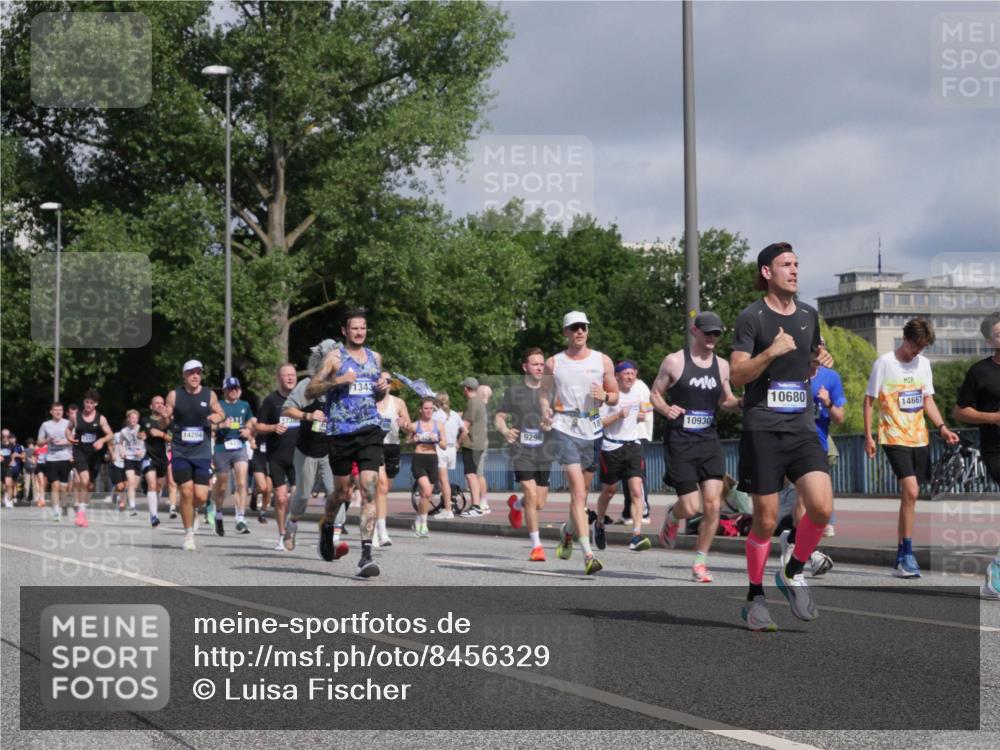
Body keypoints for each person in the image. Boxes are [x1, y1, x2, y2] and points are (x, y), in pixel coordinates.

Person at [730, 243, 834, 631]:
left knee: (821, 507)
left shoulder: (809, 315)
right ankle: (755, 598)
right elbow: (738, 377)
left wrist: (817, 362)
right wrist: (771, 351)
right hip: (762, 427)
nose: (794, 270)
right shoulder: (751, 317)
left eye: (796, 264)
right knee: (766, 520)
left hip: (802, 426)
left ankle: (792, 571)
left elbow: (805, 368)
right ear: (766, 272)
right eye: (785, 265)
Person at [864, 317, 960, 578]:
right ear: (905, 338)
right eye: (915, 345)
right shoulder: (885, 362)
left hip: (919, 437)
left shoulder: (924, 365)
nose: (918, 351)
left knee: (912, 496)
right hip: (893, 436)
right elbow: (869, 400)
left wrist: (942, 427)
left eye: (923, 347)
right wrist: (868, 436)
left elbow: (927, 399)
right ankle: (907, 553)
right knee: (911, 489)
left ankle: (900, 555)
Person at [652, 312, 741, 582]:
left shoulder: (723, 366)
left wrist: (742, 403)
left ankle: (700, 562)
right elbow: (655, 394)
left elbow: (726, 401)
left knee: (713, 505)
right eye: (708, 333)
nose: (712, 338)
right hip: (680, 440)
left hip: (709, 439)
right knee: (691, 508)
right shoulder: (675, 361)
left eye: (717, 333)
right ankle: (672, 514)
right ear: (694, 331)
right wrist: (666, 409)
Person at [305, 308, 390, 578]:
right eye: (354, 328)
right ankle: (327, 525)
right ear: (344, 331)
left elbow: (375, 397)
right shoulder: (334, 358)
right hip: (340, 431)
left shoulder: (375, 358)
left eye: (363, 328)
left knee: (368, 488)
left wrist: (382, 389)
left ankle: (366, 555)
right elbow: (310, 390)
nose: (359, 332)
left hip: (370, 429)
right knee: (341, 494)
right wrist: (336, 380)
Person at [539, 311, 619, 575]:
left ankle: (568, 532)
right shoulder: (554, 363)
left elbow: (615, 396)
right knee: (578, 493)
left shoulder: (602, 360)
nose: (579, 332)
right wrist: (546, 411)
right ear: (565, 332)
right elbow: (544, 394)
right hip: (565, 427)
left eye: (583, 327)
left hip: (593, 429)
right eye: (574, 328)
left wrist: (605, 395)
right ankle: (588, 554)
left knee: (582, 496)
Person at [281, 339, 347, 556]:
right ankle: (292, 525)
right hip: (307, 449)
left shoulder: (342, 384)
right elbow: (287, 409)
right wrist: (308, 415)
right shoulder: (307, 385)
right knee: (301, 495)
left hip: (331, 450)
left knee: (336, 492)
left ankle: (333, 538)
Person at [953, 311, 1000, 599]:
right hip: (996, 449)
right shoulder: (979, 372)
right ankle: (997, 570)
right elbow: (960, 410)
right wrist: (992, 417)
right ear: (989, 340)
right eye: (998, 333)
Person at [495, 347, 551, 561]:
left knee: (539, 503)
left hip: (544, 450)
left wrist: (550, 425)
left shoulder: (550, 392)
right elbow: (499, 417)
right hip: (521, 450)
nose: (539, 367)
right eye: (535, 363)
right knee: (530, 493)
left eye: (542, 363)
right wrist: (505, 430)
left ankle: (516, 506)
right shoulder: (513, 393)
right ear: (525, 367)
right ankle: (537, 547)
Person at [164, 360, 226, 550]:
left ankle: (195, 511)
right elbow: (165, 418)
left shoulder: (209, 395)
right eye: (191, 373)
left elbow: (221, 414)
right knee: (185, 491)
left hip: (202, 450)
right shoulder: (174, 395)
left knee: (199, 496)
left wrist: (217, 417)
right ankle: (188, 534)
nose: (195, 376)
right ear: (184, 375)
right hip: (181, 450)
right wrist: (164, 415)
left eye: (198, 372)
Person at [594, 360, 655, 553]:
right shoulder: (609, 395)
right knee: (609, 491)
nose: (630, 377)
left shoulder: (639, 391)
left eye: (632, 373)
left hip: (633, 445)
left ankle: (636, 535)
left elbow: (646, 410)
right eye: (626, 374)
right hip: (611, 447)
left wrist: (642, 416)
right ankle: (600, 522)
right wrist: (618, 416)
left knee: (637, 491)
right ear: (617, 376)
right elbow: (599, 423)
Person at [254, 364, 300, 551]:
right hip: (277, 457)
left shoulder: (302, 399)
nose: (290, 378)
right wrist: (273, 427)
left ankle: (291, 526)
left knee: (298, 497)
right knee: (281, 498)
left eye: (292, 375)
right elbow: (259, 426)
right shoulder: (271, 401)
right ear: (279, 378)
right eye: (286, 375)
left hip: (299, 456)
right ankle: (282, 535)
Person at [212, 377, 256, 536]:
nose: (234, 391)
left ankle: (240, 518)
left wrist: (249, 431)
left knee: (242, 483)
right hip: (222, 448)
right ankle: (217, 512)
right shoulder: (219, 406)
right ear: (224, 391)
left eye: (236, 388)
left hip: (239, 446)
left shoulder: (245, 405)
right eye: (231, 389)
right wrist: (222, 425)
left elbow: (251, 422)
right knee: (222, 486)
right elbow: (210, 426)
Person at [67, 390, 113, 527]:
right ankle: (80, 513)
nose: (88, 405)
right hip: (80, 452)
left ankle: (83, 510)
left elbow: (110, 434)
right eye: (86, 402)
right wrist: (69, 437)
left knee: (90, 485)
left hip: (95, 455)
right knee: (84, 480)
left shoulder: (101, 418)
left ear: (96, 404)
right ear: (84, 402)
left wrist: (102, 441)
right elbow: (68, 429)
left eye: (91, 403)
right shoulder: (76, 416)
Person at [375, 370, 410, 546]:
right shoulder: (370, 401)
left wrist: (404, 425)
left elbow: (409, 427)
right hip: (374, 446)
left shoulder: (398, 403)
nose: (384, 383)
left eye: (387, 380)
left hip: (392, 446)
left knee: (385, 488)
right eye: (380, 380)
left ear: (391, 384)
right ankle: (380, 532)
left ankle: (376, 524)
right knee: (380, 486)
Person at [408, 397, 447, 537]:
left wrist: (436, 439)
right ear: (421, 410)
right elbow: (407, 441)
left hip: (432, 459)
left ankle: (418, 520)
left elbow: (444, 445)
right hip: (419, 459)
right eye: (426, 408)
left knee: (426, 495)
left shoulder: (439, 426)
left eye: (431, 408)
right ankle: (424, 526)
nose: (428, 411)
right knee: (425, 490)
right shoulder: (414, 425)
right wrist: (414, 439)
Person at [37, 403, 73, 522]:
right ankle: (56, 511)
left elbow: (75, 440)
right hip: (51, 459)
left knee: (64, 488)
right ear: (51, 411)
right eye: (56, 410)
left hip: (65, 458)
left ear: (63, 412)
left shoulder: (68, 423)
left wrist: (65, 442)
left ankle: (63, 505)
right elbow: (39, 443)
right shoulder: (45, 425)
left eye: (60, 410)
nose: (58, 412)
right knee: (54, 485)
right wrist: (48, 440)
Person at [459, 377, 489, 516]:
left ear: (466, 388)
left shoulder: (472, 403)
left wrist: (458, 442)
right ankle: (478, 505)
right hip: (479, 443)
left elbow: (465, 426)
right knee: (475, 475)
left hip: (471, 444)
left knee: (471, 475)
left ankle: (476, 506)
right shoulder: (479, 402)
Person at [139, 395, 171, 528]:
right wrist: (140, 435)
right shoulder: (145, 420)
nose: (159, 405)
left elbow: (173, 438)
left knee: (158, 487)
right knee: (152, 485)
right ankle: (154, 516)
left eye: (161, 403)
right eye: (156, 403)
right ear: (151, 406)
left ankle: (154, 509)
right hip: (148, 456)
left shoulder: (168, 421)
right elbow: (140, 433)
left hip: (162, 458)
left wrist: (161, 434)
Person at [432, 392, 464, 517]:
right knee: (444, 480)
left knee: (443, 481)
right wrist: (458, 443)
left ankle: (448, 509)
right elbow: (464, 431)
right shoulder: (455, 414)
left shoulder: (435, 416)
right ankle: (447, 505)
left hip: (440, 447)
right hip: (452, 448)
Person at [120, 410, 146, 516]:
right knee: (130, 482)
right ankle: (132, 507)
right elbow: (120, 442)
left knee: (134, 485)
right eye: (132, 417)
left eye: (136, 418)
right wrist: (122, 451)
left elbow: (147, 442)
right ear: (128, 419)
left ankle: (124, 497)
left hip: (139, 458)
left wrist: (142, 451)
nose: (134, 420)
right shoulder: (124, 431)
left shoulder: (141, 428)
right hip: (129, 458)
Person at [2, 430, 24, 508]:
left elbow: (16, 455)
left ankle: (10, 500)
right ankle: (6, 496)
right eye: (4, 436)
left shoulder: (14, 446)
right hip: (1, 467)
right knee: (4, 485)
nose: (6, 438)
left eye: (8, 437)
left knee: (10, 484)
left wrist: (14, 459)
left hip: (10, 468)